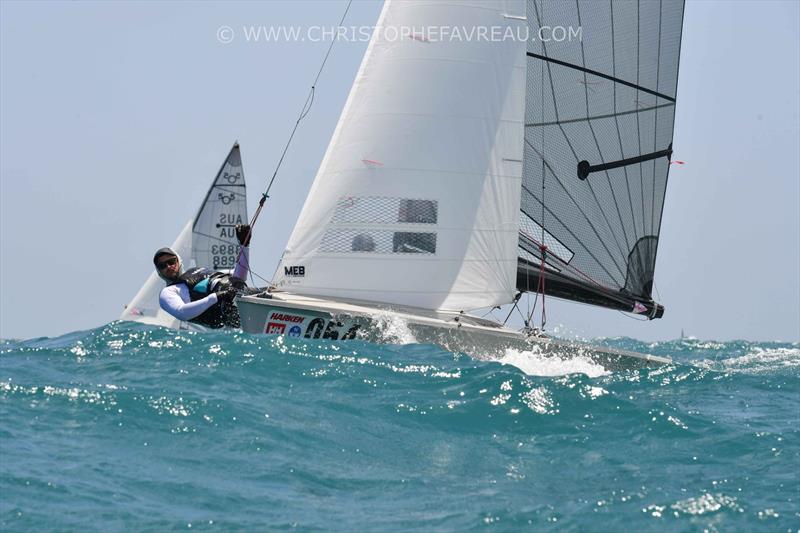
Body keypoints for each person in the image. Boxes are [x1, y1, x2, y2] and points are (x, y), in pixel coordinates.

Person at [154, 224, 258, 328]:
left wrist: (245, 246)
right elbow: (182, 313)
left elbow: (240, 277)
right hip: (225, 311)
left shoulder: (197, 270)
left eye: (171, 261)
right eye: (162, 266)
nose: (168, 266)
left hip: (240, 293)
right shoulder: (167, 292)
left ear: (178, 260)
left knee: (270, 291)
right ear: (159, 271)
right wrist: (217, 297)